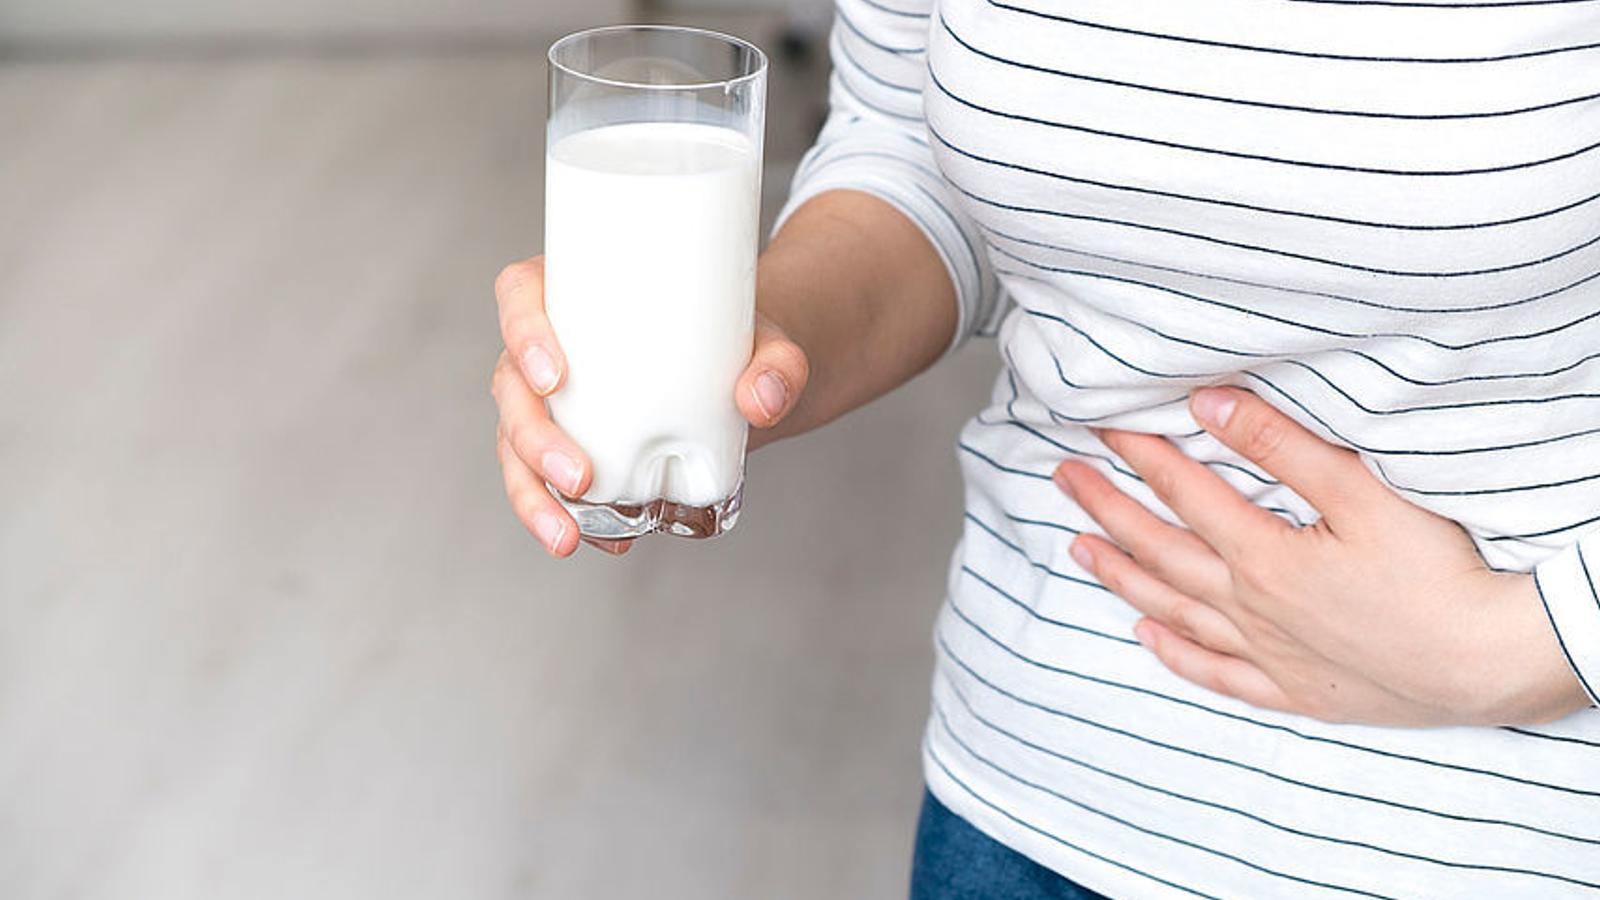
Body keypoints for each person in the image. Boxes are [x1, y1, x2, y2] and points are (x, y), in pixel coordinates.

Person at [492, 3, 1600, 897]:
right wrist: (747, 347)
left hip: (1516, 838)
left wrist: (1522, 648)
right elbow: (909, 147)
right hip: (1039, 795)